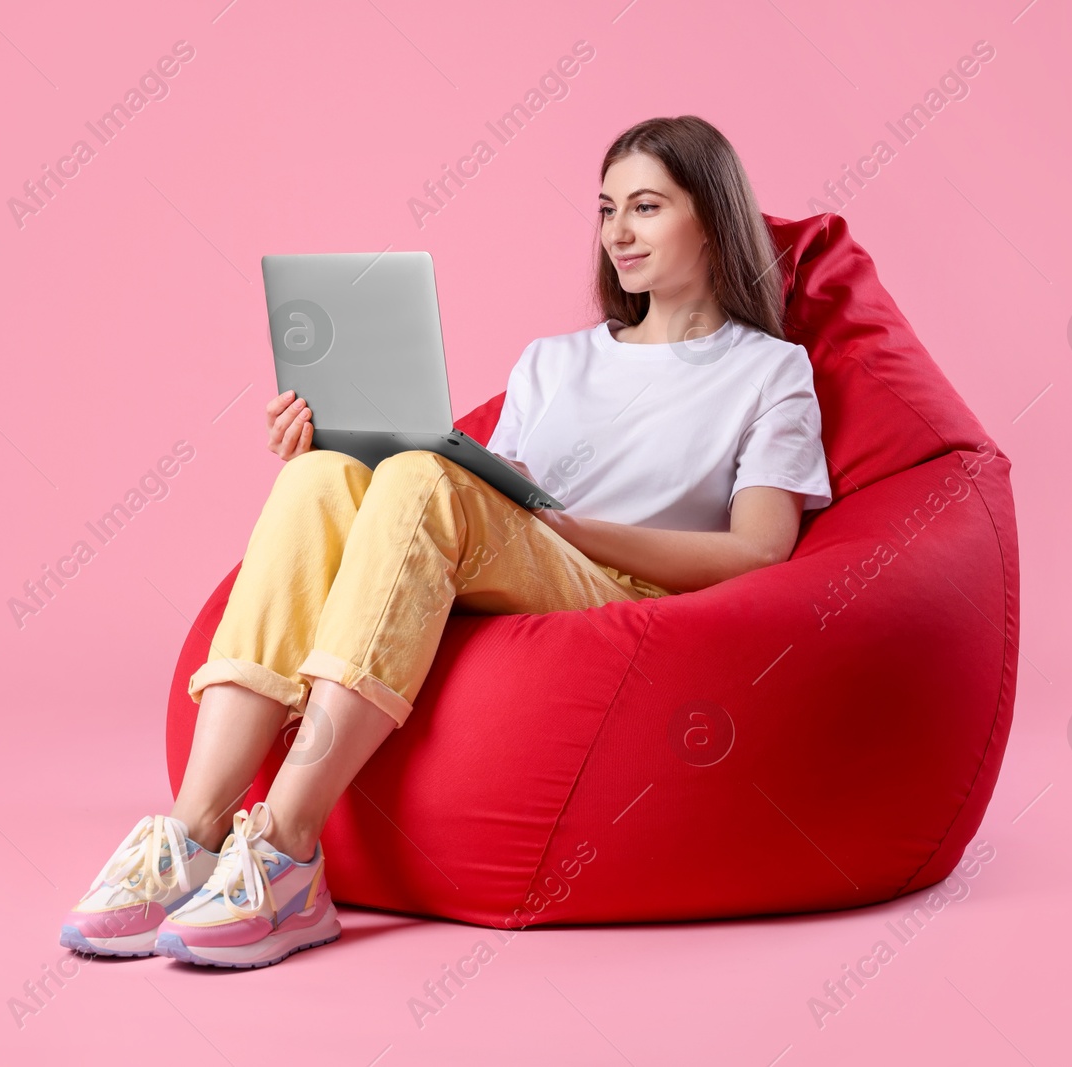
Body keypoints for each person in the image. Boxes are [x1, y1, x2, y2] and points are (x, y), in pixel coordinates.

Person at [58, 115, 834, 968]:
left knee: (427, 480)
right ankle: (194, 829)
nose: (617, 232)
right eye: (606, 208)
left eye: (645, 207)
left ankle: (285, 846)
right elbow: (492, 488)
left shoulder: (770, 371)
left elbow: (762, 551)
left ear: (714, 220)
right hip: (529, 552)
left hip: (623, 584)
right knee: (321, 479)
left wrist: (578, 528)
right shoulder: (555, 360)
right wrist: (336, 441)